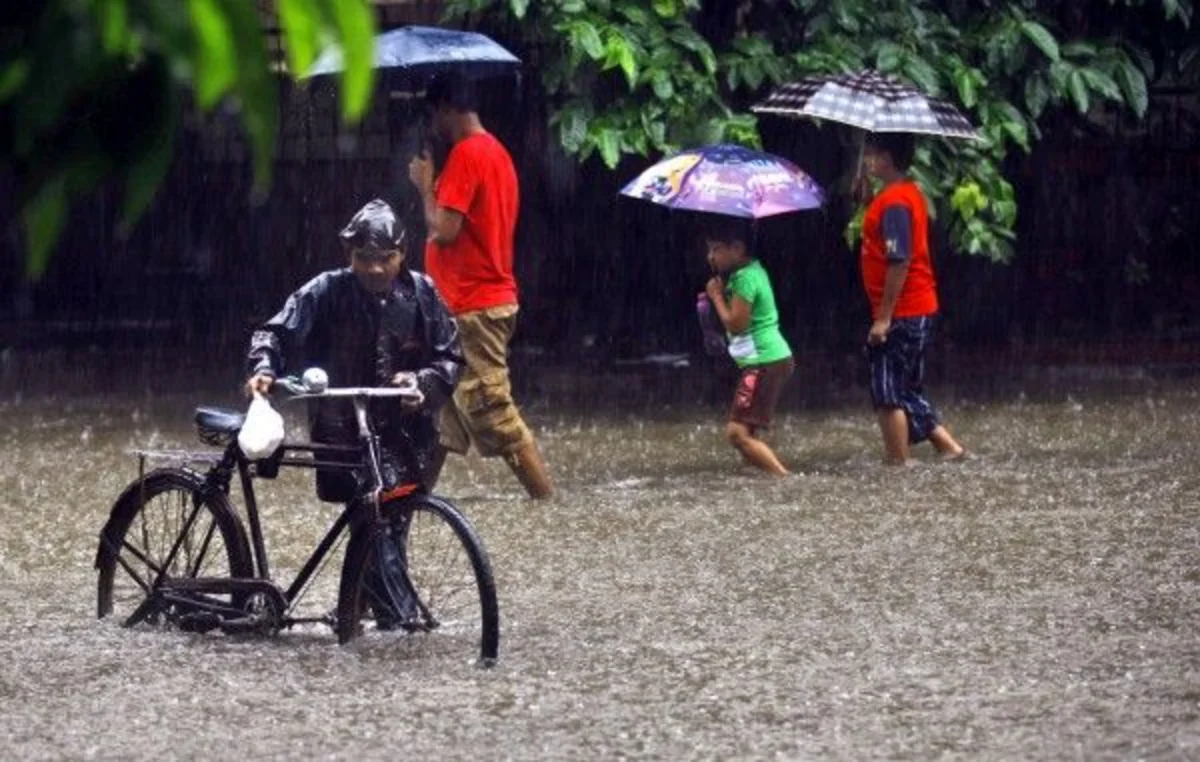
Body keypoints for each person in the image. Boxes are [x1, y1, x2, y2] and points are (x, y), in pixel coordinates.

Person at [244, 199, 464, 627]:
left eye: (386, 258)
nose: (376, 269)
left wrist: (422, 383)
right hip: (344, 429)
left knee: (391, 521)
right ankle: (395, 622)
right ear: (350, 257)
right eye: (365, 258)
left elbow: (451, 357)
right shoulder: (328, 290)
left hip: (406, 433)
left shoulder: (422, 293)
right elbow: (274, 330)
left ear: (402, 256)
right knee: (376, 518)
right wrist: (265, 368)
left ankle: (362, 611)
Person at [407, 71, 554, 499]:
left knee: (492, 412)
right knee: (439, 416)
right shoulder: (496, 153)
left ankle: (547, 504)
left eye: (434, 114)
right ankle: (410, 505)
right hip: (464, 304)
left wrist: (424, 186)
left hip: (473, 305)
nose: (432, 125)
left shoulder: (469, 154)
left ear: (447, 109)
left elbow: (444, 228)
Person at [858, 132, 966, 465]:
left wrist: (884, 317)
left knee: (888, 394)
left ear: (886, 158)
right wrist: (865, 198)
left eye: (871, 154)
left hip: (903, 311)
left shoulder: (894, 203)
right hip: (916, 307)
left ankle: (897, 467)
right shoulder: (903, 194)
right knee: (906, 389)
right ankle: (949, 449)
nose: (866, 160)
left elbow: (899, 258)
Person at [703, 222, 794, 477]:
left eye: (716, 249)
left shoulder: (745, 278)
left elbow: (736, 323)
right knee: (747, 431)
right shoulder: (749, 272)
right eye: (709, 250)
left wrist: (717, 297)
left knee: (737, 433)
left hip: (764, 361)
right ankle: (761, 481)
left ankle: (784, 480)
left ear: (737, 248)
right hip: (766, 360)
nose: (710, 257)